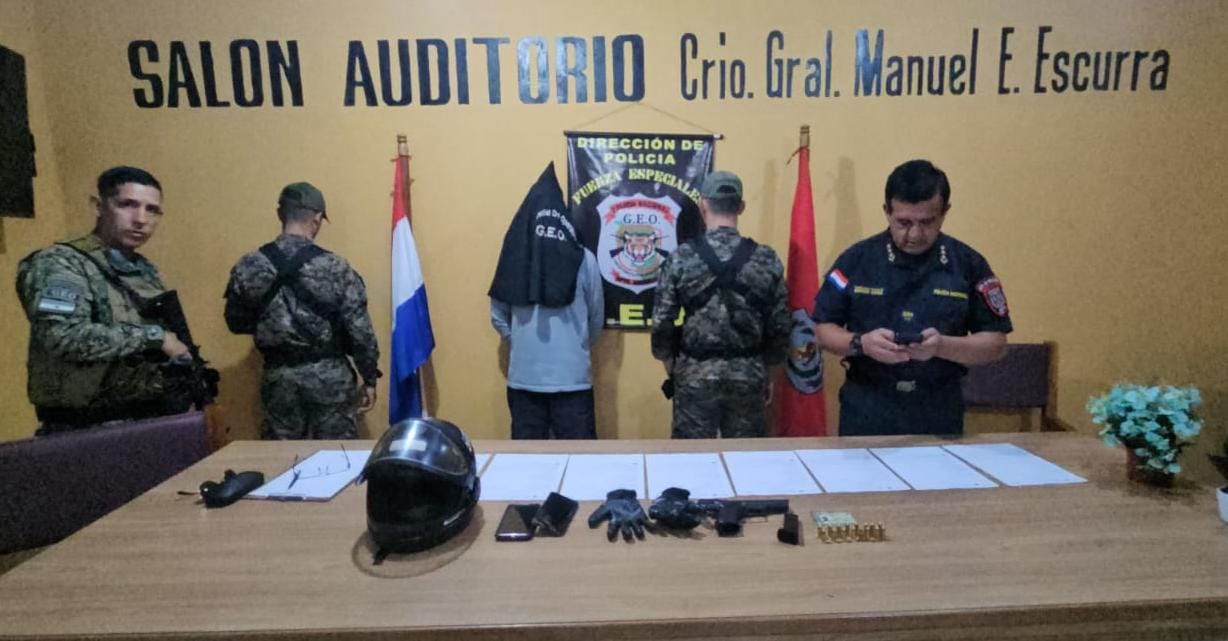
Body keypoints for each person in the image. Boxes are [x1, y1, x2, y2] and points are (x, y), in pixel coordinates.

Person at [813, 159, 1012, 436]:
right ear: (887, 212)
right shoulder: (857, 260)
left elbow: (996, 344)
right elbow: (820, 329)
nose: (915, 234)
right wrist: (861, 343)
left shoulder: (968, 264)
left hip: (938, 408)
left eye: (927, 222)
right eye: (904, 222)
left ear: (944, 212)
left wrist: (942, 346)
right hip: (868, 406)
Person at [16, 166, 206, 434]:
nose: (141, 219)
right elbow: (62, 336)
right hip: (84, 429)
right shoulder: (61, 264)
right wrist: (156, 337)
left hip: (147, 420)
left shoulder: (143, 270)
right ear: (99, 206)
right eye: (128, 205)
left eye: (152, 210)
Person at [224, 182, 380, 440]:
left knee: (281, 458)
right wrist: (370, 377)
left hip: (278, 379)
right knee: (335, 456)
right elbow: (360, 332)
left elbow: (236, 322)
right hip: (330, 379)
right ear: (317, 219)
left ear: (280, 214)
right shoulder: (336, 267)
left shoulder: (248, 266)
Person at [650, 170, 790, 438]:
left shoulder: (681, 257)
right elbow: (781, 325)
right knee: (745, 459)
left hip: (694, 374)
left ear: (703, 204)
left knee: (692, 459)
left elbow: (662, 321)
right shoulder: (767, 259)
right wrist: (769, 371)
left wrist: (670, 363)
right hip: (748, 375)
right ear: (741, 206)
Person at [489, 164, 604, 439]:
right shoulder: (584, 260)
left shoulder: (514, 257)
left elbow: (498, 315)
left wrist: (519, 340)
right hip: (572, 380)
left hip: (525, 380)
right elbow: (596, 319)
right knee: (580, 461)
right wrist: (575, 344)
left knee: (528, 461)